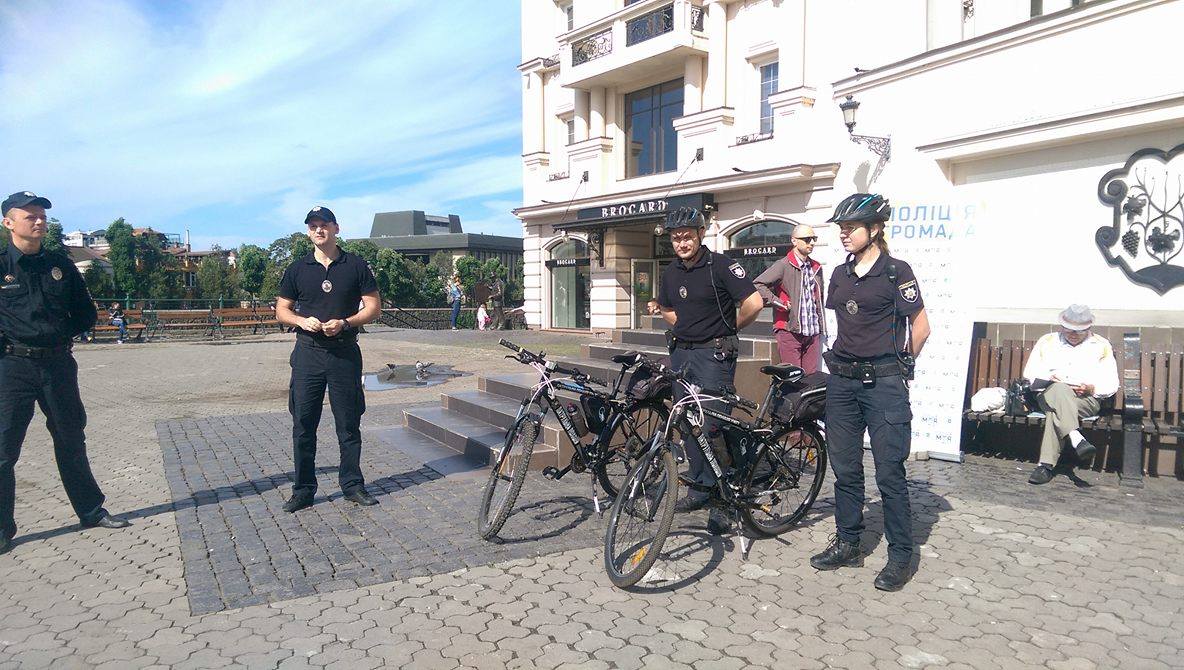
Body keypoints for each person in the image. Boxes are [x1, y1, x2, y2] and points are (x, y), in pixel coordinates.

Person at [809, 193, 931, 592]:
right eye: (841, 228)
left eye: (851, 228)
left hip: (882, 385)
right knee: (845, 469)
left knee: (890, 474)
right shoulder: (841, 274)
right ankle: (848, 542)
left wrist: (901, 365)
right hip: (842, 384)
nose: (844, 234)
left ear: (875, 229)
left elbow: (921, 327)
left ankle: (900, 555)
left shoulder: (897, 272)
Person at [0, 191, 129, 555]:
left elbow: (85, 313)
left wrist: (57, 334)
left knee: (71, 439)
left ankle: (90, 511)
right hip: (12, 366)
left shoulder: (60, 263)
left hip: (57, 364)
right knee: (4, 449)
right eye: (30, 216)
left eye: (41, 215)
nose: (38, 221)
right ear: (8, 222)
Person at [649, 206, 765, 534]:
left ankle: (723, 500)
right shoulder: (671, 272)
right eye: (676, 238)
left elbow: (754, 303)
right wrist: (685, 327)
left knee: (712, 426)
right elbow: (667, 308)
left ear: (700, 235)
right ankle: (699, 488)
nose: (682, 243)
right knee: (688, 424)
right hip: (682, 355)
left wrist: (728, 327)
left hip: (714, 357)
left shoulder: (722, 266)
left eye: (687, 236)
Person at [275, 206, 382, 513]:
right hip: (308, 353)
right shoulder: (297, 269)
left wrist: (346, 322)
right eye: (313, 226)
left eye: (324, 225)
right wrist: (299, 321)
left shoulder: (356, 265)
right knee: (303, 424)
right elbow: (282, 310)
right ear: (308, 232)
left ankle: (352, 485)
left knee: (348, 424)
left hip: (344, 353)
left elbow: (374, 308)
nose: (319, 230)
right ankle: (304, 490)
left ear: (336, 228)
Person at [1022, 304, 1118, 485]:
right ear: (1061, 326)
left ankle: (1045, 466)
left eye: (1079, 331)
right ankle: (1076, 437)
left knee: (1055, 413)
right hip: (1049, 394)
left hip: (1085, 400)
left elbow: (1111, 383)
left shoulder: (1101, 345)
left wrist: (1091, 388)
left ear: (1089, 328)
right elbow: (1030, 373)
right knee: (1059, 390)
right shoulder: (1047, 341)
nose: (1073, 334)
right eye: (1069, 330)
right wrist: (1049, 377)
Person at [753, 225, 825, 373]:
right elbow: (758, 284)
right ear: (794, 241)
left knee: (811, 380)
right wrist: (779, 303)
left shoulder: (816, 267)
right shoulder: (783, 265)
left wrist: (822, 326)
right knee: (793, 379)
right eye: (806, 239)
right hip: (789, 330)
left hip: (812, 331)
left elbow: (818, 298)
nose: (811, 242)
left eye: (814, 239)